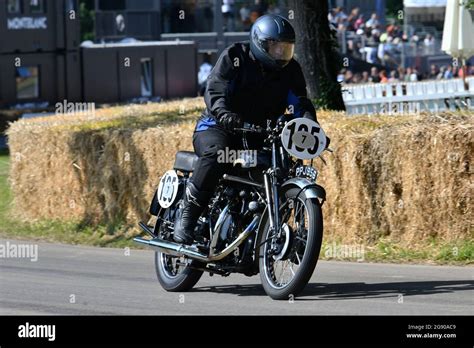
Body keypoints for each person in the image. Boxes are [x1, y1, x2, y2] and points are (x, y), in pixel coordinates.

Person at [173, 15, 322, 245]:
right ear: (260, 43)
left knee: (280, 168)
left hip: (259, 134)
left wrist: (310, 125)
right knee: (218, 155)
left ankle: (264, 228)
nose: (281, 53)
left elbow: (299, 102)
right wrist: (224, 113)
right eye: (276, 47)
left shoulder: (290, 70)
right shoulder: (235, 57)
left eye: (286, 48)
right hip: (219, 127)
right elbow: (216, 89)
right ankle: (187, 215)